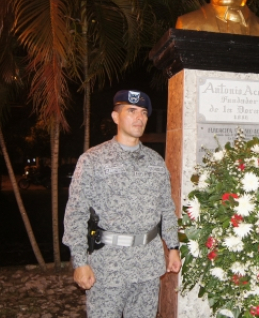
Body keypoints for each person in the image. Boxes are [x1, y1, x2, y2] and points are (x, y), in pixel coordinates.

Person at [63, 90, 181, 318]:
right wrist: (80, 261)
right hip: (107, 266)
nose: (140, 118)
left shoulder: (156, 162)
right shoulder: (93, 159)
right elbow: (76, 213)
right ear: (116, 117)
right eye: (132, 111)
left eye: (144, 112)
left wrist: (173, 247)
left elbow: (166, 208)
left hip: (147, 264)